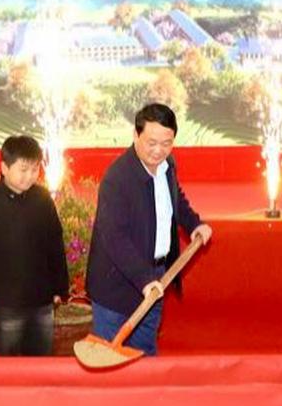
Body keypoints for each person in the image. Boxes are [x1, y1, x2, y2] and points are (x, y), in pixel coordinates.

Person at [87, 103, 213, 356]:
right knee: (111, 363)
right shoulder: (117, 179)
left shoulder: (167, 166)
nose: (158, 151)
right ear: (136, 135)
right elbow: (115, 238)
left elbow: (175, 198)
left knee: (145, 356)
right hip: (117, 287)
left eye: (166, 143)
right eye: (151, 143)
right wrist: (144, 279)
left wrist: (194, 223)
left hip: (157, 277)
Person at [0, 135, 70, 357]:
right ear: (4, 168)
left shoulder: (43, 199)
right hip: (4, 304)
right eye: (23, 170)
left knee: (40, 361)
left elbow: (55, 244)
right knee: (6, 363)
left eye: (34, 169)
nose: (29, 176)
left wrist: (59, 287)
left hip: (41, 301)